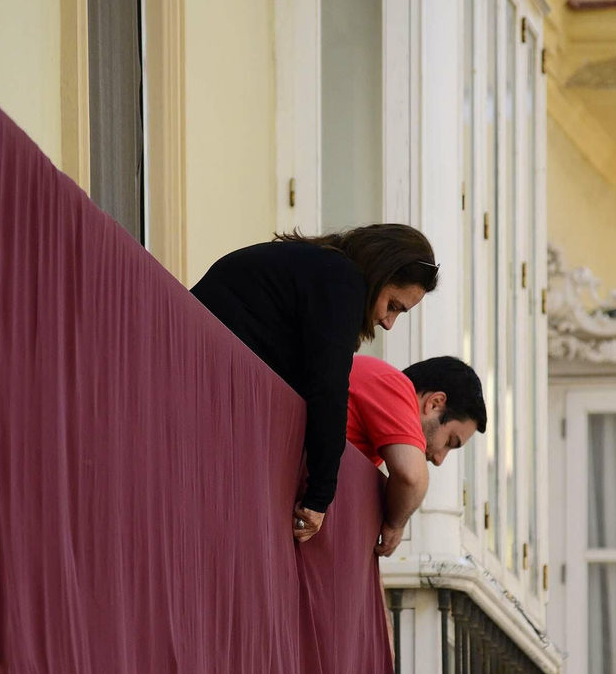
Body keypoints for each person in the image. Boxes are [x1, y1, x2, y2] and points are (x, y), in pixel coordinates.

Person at [191, 225, 440, 543]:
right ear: (381, 272)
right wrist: (319, 498)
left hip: (199, 377)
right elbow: (328, 392)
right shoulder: (340, 280)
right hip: (202, 382)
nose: (389, 323)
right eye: (392, 305)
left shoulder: (320, 268)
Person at [347, 355, 486, 556]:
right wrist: (394, 525)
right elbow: (412, 478)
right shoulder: (393, 385)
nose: (439, 459)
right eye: (449, 441)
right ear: (435, 403)